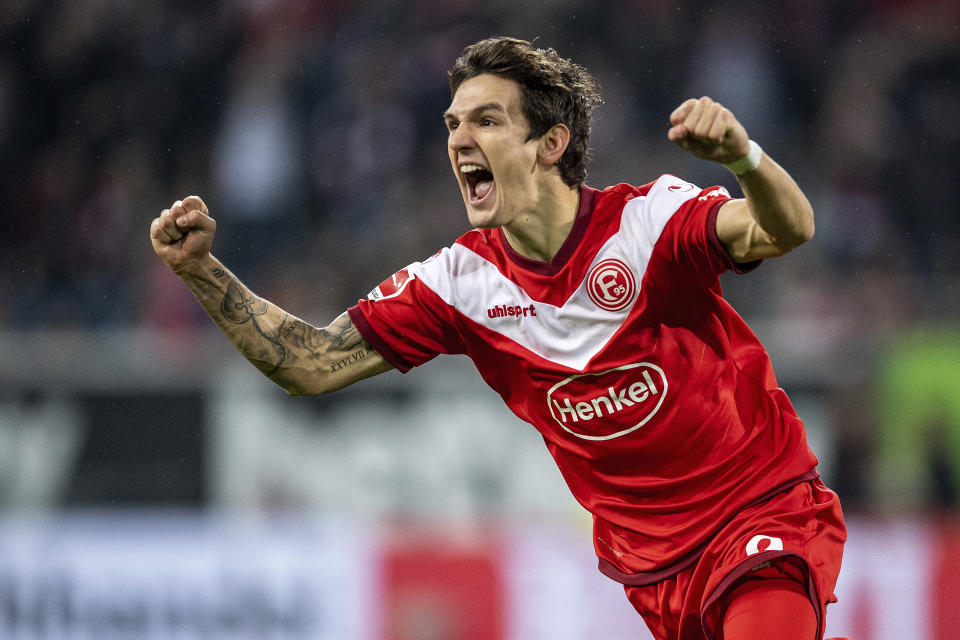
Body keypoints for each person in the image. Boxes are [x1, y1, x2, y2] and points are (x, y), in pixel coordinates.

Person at [150, 37, 846, 640]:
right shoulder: (460, 285)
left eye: (486, 120)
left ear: (551, 143)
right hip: (654, 570)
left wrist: (743, 157)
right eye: (454, 124)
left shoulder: (648, 225)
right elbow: (308, 364)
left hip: (763, 516)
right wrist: (201, 271)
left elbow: (787, 230)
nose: (459, 139)